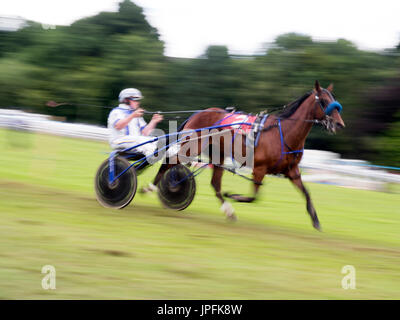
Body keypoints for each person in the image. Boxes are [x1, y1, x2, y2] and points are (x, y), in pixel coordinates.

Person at [107, 88, 163, 156]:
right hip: (118, 141)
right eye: (136, 100)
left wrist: (153, 121)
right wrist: (133, 115)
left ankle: (172, 158)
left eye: (139, 100)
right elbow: (118, 126)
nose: (138, 102)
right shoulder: (116, 112)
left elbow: (145, 133)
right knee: (141, 140)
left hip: (134, 141)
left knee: (156, 140)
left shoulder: (136, 114)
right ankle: (153, 155)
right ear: (126, 100)